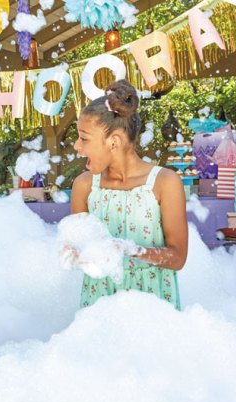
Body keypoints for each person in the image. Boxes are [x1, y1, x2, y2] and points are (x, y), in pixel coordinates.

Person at [69, 80, 188, 309]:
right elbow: (81, 249)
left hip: (151, 308)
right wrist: (73, 254)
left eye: (84, 138)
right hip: (99, 307)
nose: (76, 146)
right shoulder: (84, 186)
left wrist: (131, 250)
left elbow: (178, 258)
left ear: (114, 142)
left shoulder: (164, 183)